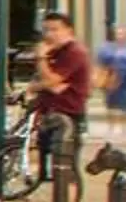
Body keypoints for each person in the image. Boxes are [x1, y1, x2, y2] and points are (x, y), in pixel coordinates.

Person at [34, 10, 93, 170]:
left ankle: (68, 187)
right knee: (50, 164)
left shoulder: (75, 52)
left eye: (55, 30)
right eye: (46, 30)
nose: (49, 35)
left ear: (69, 30)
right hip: (51, 112)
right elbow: (46, 82)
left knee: (65, 166)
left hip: (68, 115)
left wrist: (41, 59)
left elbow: (52, 80)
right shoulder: (56, 51)